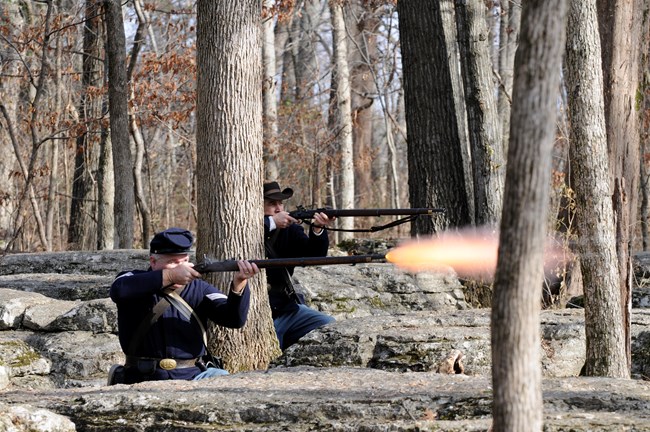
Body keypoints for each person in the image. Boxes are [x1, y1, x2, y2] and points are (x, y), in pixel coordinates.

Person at [109, 227, 259, 384]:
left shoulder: (200, 288)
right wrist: (171, 275)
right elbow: (119, 289)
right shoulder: (133, 279)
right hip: (139, 376)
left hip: (193, 375)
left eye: (184, 262)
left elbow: (234, 319)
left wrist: (239, 284)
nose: (182, 268)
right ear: (153, 262)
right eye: (173, 262)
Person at [263, 181, 336, 350]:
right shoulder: (249, 227)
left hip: (285, 307)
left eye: (280, 203)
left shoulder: (289, 229)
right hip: (256, 313)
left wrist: (318, 227)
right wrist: (272, 223)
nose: (279, 209)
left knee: (328, 325)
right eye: (271, 204)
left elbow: (315, 256)